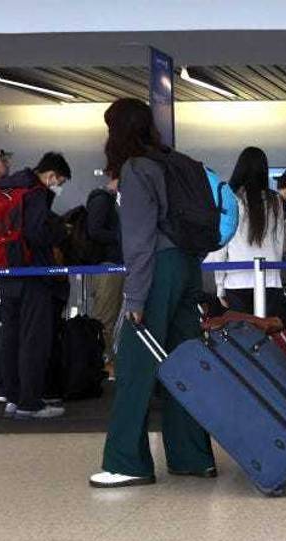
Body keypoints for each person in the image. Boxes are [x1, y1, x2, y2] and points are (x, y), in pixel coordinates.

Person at [90, 97, 216, 488]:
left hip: (156, 271)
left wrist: (134, 299)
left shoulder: (136, 169)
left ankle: (127, 463)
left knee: (134, 367)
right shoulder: (177, 162)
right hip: (188, 268)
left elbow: (140, 240)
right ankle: (193, 457)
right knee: (185, 365)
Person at [0, 152, 72, 420]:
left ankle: (12, 398)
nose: (57, 186)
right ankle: (31, 402)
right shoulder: (35, 192)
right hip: (33, 273)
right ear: (51, 175)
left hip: (7, 271)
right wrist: (61, 231)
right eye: (59, 181)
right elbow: (37, 233)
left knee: (11, 336)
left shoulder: (8, 186)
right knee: (33, 338)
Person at [207, 147, 286, 327]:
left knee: (241, 340)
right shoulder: (275, 201)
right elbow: (279, 244)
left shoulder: (231, 199)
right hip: (270, 281)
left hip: (237, 283)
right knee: (268, 339)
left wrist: (220, 287)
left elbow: (222, 245)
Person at [86, 176, 123, 371]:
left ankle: (105, 360)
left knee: (109, 316)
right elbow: (95, 231)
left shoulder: (109, 200)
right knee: (105, 317)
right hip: (107, 266)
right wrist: (121, 237)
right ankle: (102, 362)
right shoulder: (102, 200)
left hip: (112, 265)